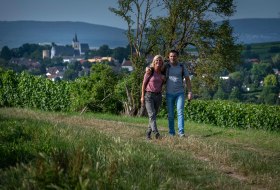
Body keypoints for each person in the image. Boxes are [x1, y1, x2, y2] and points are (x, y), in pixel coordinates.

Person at [146, 50, 192, 137]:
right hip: (169, 93)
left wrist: (190, 92)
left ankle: (181, 133)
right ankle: (171, 133)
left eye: (174, 56)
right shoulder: (166, 66)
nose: (172, 58)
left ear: (177, 57)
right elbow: (155, 67)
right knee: (170, 114)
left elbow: (188, 79)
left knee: (180, 112)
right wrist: (147, 68)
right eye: (171, 56)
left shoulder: (182, 66)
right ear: (168, 57)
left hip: (180, 93)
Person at [141, 55, 165, 140]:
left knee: (153, 116)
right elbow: (143, 84)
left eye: (160, 60)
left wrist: (164, 79)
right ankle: (156, 133)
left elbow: (163, 84)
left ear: (162, 62)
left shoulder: (163, 73)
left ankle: (148, 134)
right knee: (151, 114)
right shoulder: (149, 71)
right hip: (149, 95)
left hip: (158, 96)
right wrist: (142, 96)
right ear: (154, 62)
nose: (158, 62)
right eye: (156, 60)